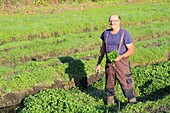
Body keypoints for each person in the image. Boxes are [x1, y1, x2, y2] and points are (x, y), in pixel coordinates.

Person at [96, 14, 137, 105]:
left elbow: (131, 50)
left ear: (119, 21)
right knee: (109, 83)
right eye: (110, 21)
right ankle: (110, 103)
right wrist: (98, 63)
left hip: (122, 62)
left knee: (126, 82)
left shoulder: (125, 34)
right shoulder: (105, 34)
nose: (112, 22)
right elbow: (102, 49)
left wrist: (120, 57)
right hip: (109, 63)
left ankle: (132, 103)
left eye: (114, 20)